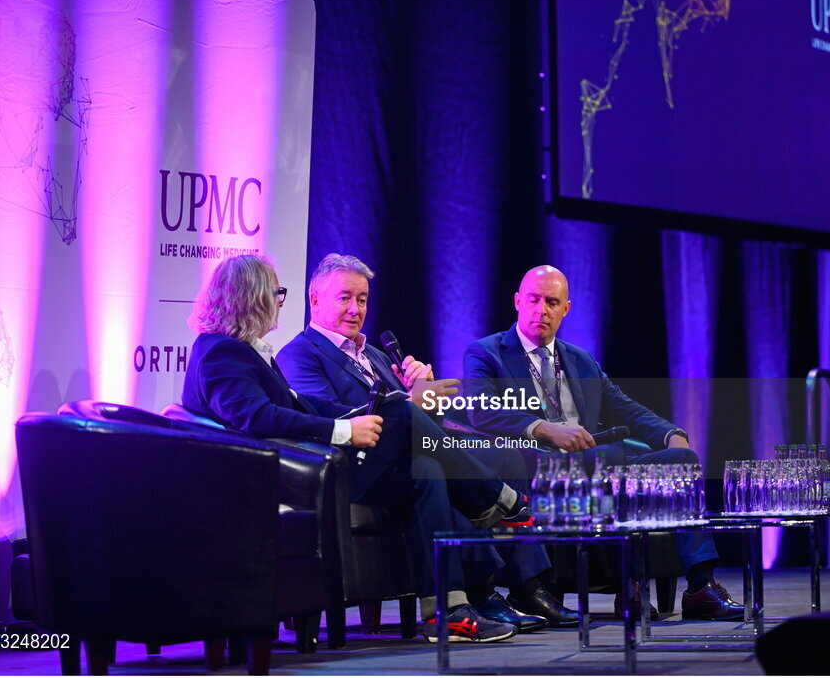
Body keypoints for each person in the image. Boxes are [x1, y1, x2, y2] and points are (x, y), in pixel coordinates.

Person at [182, 254, 529, 642]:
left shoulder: (243, 350)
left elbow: (303, 405)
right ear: (251, 296)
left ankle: (446, 612)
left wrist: (358, 416)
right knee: (403, 412)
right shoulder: (221, 351)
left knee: (425, 471)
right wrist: (344, 430)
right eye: (275, 293)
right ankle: (500, 501)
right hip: (292, 477)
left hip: (309, 466)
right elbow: (256, 417)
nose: (280, 302)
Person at [276, 253, 577, 629]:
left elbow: (418, 423)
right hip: (350, 467)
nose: (356, 309)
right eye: (344, 298)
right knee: (426, 456)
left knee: (499, 457)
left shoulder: (373, 353)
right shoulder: (299, 354)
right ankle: (493, 544)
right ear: (315, 299)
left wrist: (425, 397)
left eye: (363, 299)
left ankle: (516, 589)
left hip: (400, 458)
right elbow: (330, 418)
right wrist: (408, 402)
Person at [463, 265, 745, 622]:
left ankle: (701, 586)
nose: (541, 309)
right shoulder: (487, 353)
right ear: (518, 301)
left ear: (565, 309)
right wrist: (545, 429)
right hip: (539, 467)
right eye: (533, 300)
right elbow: (480, 411)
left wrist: (669, 433)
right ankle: (632, 587)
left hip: (597, 462)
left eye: (552, 302)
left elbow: (622, 405)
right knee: (609, 456)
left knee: (679, 460)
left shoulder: (580, 359)